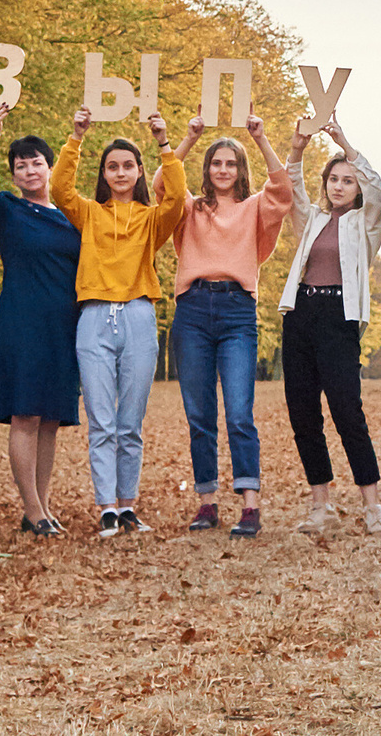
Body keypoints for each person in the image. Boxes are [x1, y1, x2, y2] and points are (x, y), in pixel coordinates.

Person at [55, 110, 187, 537]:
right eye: (112, 166)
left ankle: (128, 505)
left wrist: (164, 143)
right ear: (105, 174)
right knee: (101, 420)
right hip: (94, 317)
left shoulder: (152, 220)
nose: (120, 172)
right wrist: (76, 137)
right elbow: (59, 189)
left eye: (128, 165)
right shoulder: (90, 213)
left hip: (138, 316)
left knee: (130, 422)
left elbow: (178, 200)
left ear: (139, 171)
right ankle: (107, 507)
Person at [165, 111, 294, 537]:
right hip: (193, 310)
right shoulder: (191, 210)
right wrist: (185, 139)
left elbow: (282, 189)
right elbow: (163, 185)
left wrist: (260, 139)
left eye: (231, 163)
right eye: (216, 163)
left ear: (240, 170)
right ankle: (207, 502)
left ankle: (250, 505)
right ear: (207, 170)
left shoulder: (254, 208)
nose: (223, 170)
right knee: (199, 412)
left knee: (239, 411)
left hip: (237, 311)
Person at [0, 104, 83, 536]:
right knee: (26, 416)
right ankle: (32, 510)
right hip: (23, 324)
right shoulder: (8, 211)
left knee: (52, 417)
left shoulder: (72, 214)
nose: (30, 169)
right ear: (14, 175)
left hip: (64, 326)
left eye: (37, 162)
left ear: (50, 168)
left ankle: (42, 507)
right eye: (21, 165)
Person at [277, 117, 381, 534]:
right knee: (303, 414)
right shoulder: (311, 220)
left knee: (347, 412)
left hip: (339, 319)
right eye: (334, 179)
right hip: (301, 316)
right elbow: (291, 188)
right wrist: (297, 147)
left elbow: (379, 191)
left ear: (356, 187)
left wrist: (344, 141)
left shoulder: (366, 224)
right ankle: (320, 504)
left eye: (348, 180)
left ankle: (373, 507)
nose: (339, 186)